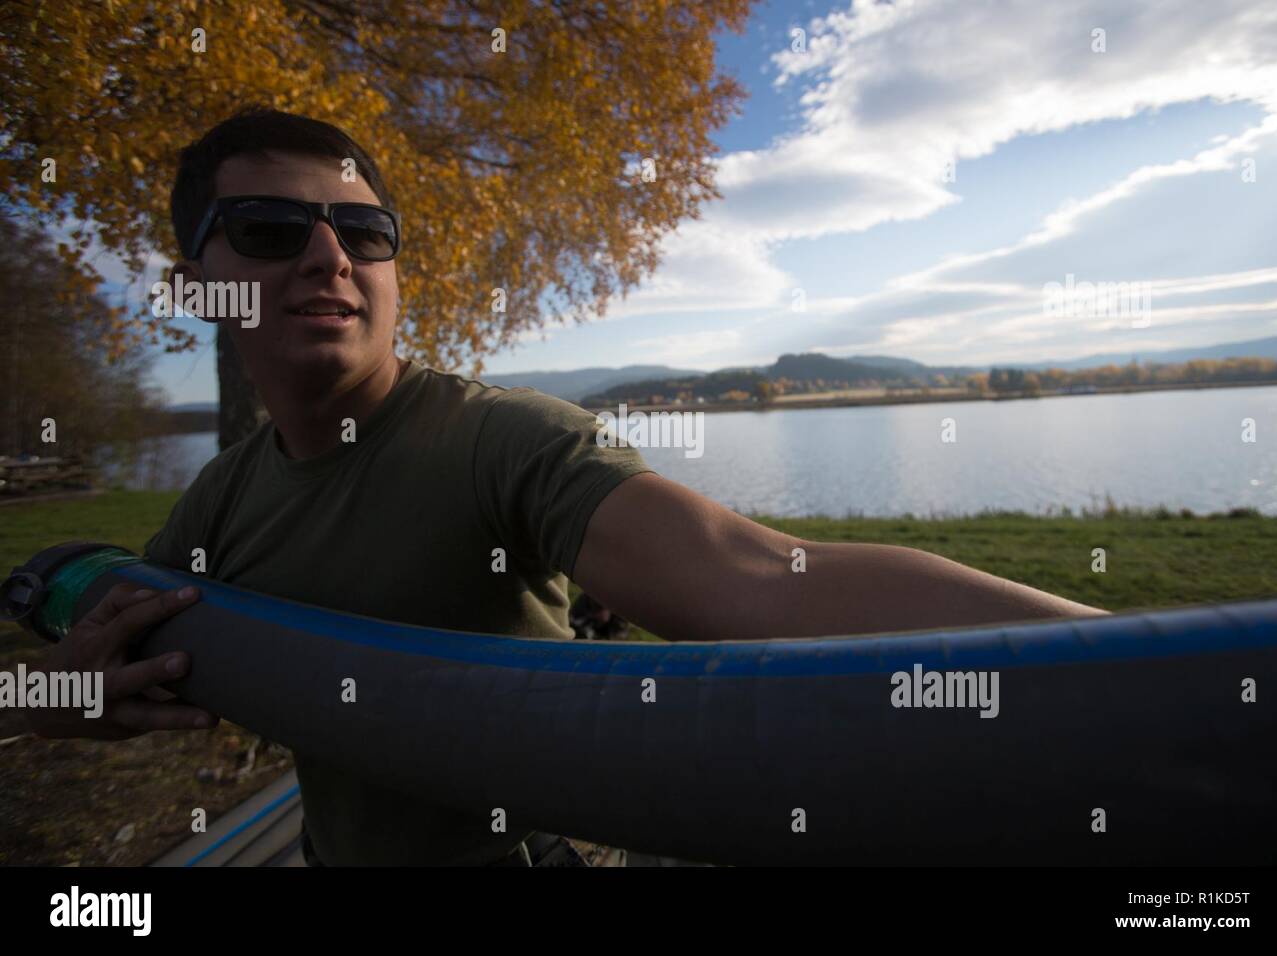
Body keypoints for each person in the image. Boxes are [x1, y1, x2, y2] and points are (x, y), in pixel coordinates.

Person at [25, 108, 1107, 866]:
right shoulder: (218, 501)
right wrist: (71, 701)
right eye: (270, 230)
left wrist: (1161, 662)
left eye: (364, 232)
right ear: (189, 284)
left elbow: (760, 580)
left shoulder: (504, 438)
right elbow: (83, 676)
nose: (330, 258)